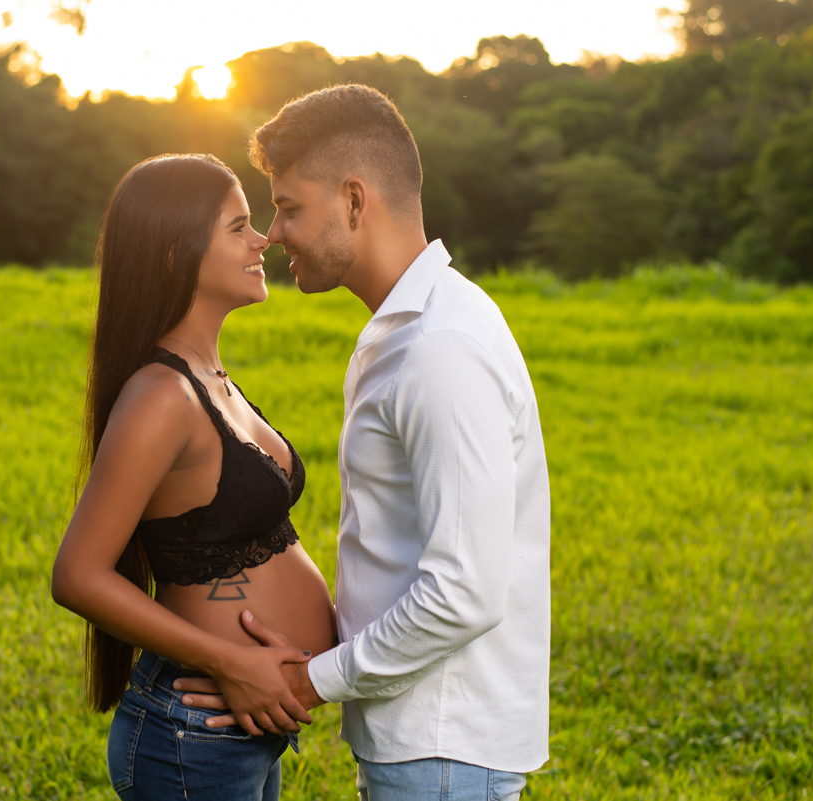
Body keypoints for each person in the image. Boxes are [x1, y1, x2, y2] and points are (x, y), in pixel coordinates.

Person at [175, 85, 551, 801]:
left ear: (354, 200)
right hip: (429, 744)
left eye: (289, 207)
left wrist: (309, 680)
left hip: (443, 749)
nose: (274, 234)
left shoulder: (438, 347)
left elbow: (465, 592)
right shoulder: (415, 327)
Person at [50, 153, 338, 801]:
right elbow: (78, 575)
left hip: (237, 731)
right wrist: (231, 661)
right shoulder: (162, 394)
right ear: (176, 255)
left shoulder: (209, 377)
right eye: (238, 227)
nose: (263, 239)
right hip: (194, 733)